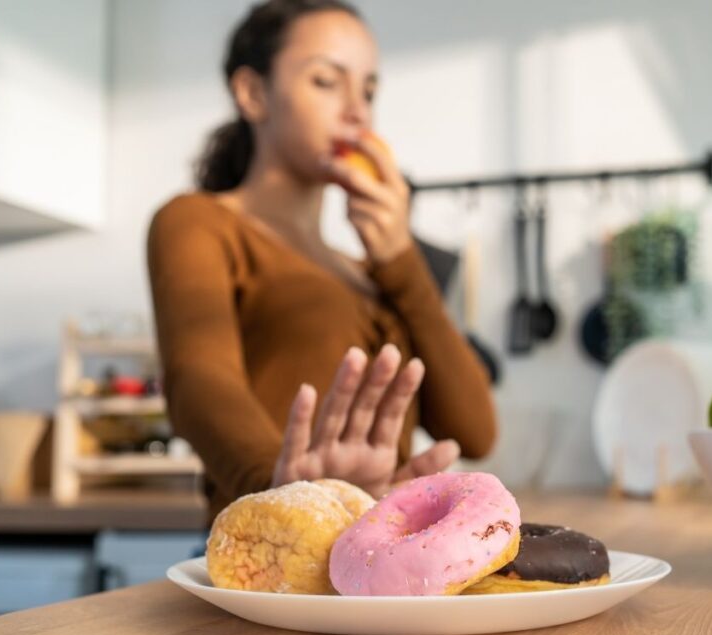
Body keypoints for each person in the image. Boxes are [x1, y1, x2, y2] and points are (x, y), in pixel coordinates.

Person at [146, 0, 496, 522]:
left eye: (369, 90)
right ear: (253, 93)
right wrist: (286, 493)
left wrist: (400, 258)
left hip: (371, 563)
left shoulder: (371, 269)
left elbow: (475, 431)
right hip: (267, 560)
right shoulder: (199, 221)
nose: (357, 110)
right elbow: (198, 382)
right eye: (326, 82)